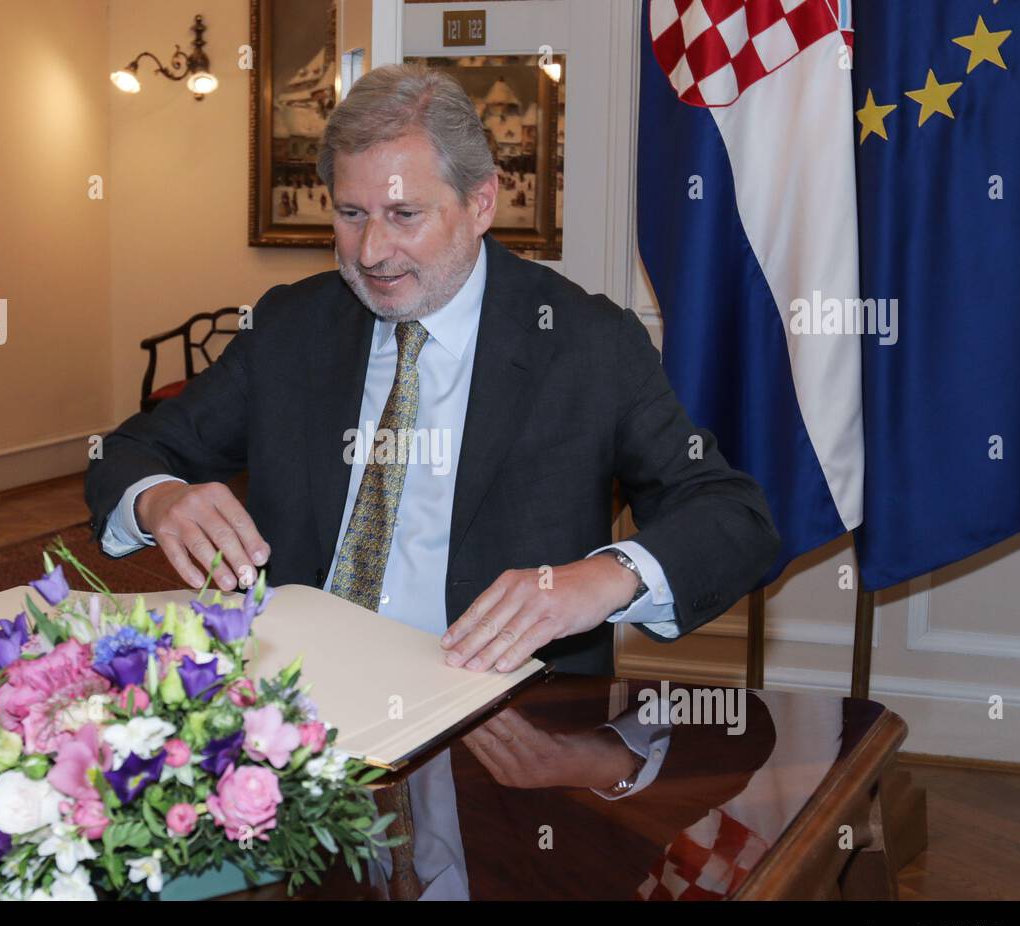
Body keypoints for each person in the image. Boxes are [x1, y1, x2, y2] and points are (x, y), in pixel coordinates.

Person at [85, 63, 780, 678]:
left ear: (480, 202)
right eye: (351, 214)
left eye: (404, 214)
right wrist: (160, 498)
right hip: (290, 698)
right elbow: (131, 451)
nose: (372, 251)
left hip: (502, 717)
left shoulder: (584, 341)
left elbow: (734, 517)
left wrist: (609, 575)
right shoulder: (291, 327)